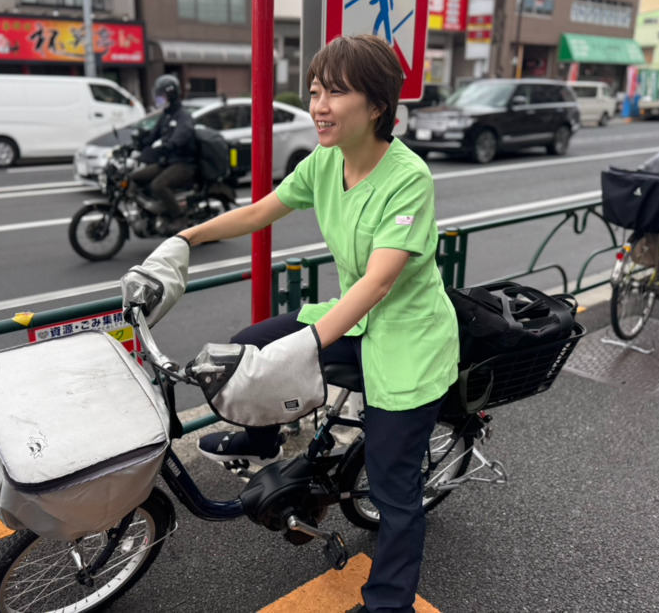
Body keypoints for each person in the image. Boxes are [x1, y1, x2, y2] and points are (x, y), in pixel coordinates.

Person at [121, 34, 460, 613]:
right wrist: (182, 239)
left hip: (408, 337)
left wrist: (305, 345)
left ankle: (388, 603)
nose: (319, 105)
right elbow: (259, 212)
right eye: (314, 91)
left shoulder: (408, 178)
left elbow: (380, 282)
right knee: (249, 346)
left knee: (393, 490)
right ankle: (261, 435)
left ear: (377, 105)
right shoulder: (325, 162)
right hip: (354, 317)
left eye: (337, 92)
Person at [131, 74, 197, 232]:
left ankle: (178, 216)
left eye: (162, 97)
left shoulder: (183, 116)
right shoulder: (166, 116)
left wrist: (163, 147)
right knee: (135, 176)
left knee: (158, 185)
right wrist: (136, 144)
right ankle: (151, 209)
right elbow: (152, 136)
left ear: (172, 95)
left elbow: (180, 138)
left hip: (184, 163)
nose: (159, 101)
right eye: (158, 97)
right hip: (167, 161)